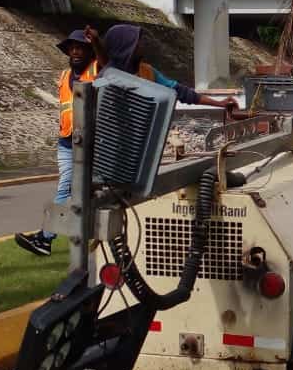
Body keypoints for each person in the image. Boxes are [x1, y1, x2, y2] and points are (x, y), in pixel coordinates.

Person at [14, 29, 98, 257]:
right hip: (67, 141)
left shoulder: (97, 70)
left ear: (90, 51)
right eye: (72, 48)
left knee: (90, 191)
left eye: (80, 47)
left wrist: (98, 42)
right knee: (66, 188)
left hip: (91, 142)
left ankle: (51, 238)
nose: (75, 51)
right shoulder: (63, 76)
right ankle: (46, 238)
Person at [93, 24, 238, 114]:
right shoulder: (105, 79)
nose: (141, 47)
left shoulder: (147, 72)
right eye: (136, 44)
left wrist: (219, 104)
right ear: (124, 48)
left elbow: (182, 92)